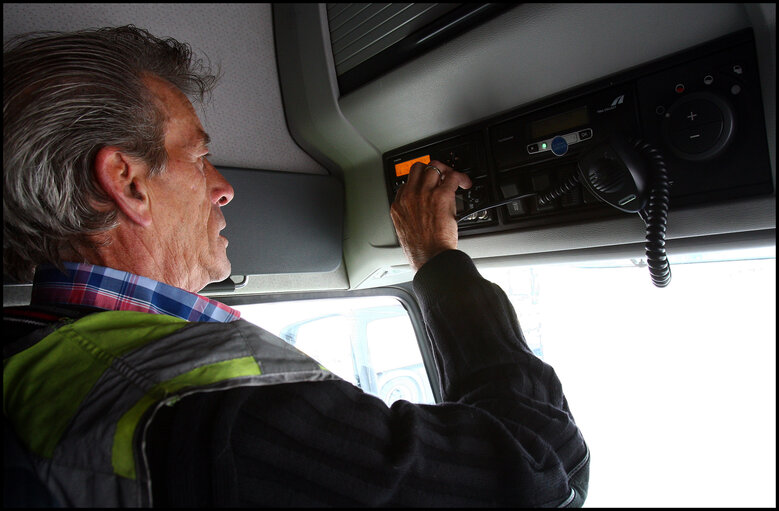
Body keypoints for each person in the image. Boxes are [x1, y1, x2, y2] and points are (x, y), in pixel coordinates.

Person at [3, 26, 589, 507]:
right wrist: (439, 263)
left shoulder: (27, 351)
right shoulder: (216, 398)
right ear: (127, 182)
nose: (224, 188)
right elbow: (542, 472)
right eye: (202, 158)